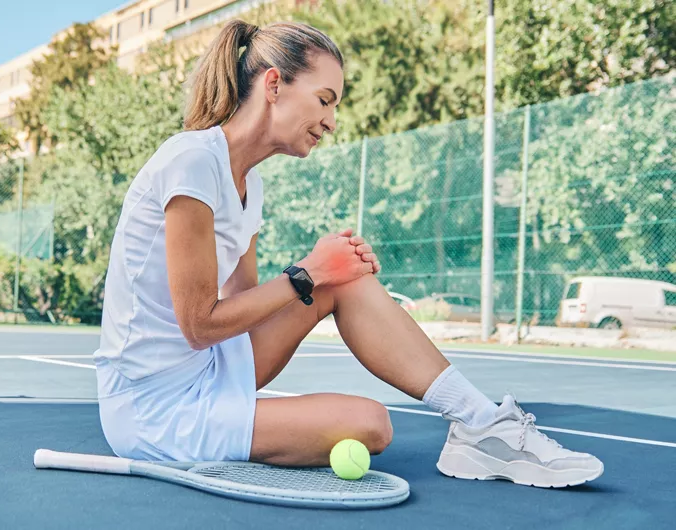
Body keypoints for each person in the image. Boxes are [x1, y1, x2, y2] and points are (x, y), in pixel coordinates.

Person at [93, 19, 603, 488]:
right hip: (153, 407)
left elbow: (242, 312)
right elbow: (200, 325)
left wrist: (328, 271)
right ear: (273, 85)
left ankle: (480, 423)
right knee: (370, 425)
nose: (331, 121)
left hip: (209, 371)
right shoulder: (190, 163)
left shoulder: (251, 185)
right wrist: (306, 273)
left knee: (344, 278)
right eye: (324, 99)